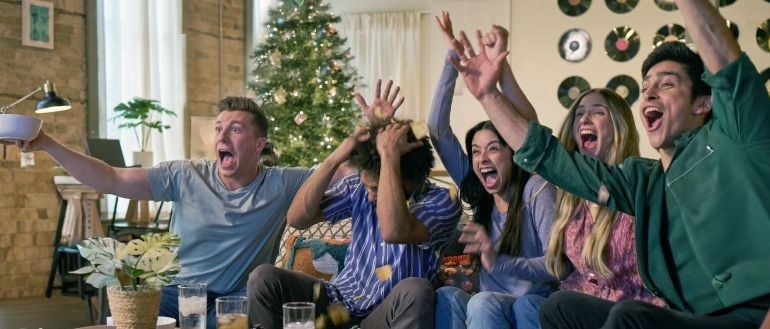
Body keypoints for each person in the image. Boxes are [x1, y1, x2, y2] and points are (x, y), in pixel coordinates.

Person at [447, 0, 770, 327]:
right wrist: (488, 95)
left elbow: (726, 61)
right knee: (559, 308)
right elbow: (550, 157)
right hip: (687, 318)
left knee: (629, 316)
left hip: (751, 312)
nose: (649, 94)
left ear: (704, 102)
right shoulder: (641, 179)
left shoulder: (736, 134)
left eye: (666, 84)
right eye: (645, 88)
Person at [12, 96, 315, 329]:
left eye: (235, 130)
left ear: (259, 144)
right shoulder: (185, 175)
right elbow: (112, 178)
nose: (221, 137)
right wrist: (46, 143)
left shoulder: (282, 183)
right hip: (177, 294)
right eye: (219, 128)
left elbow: (340, 171)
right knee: (129, 316)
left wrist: (360, 136)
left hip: (235, 300)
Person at [247, 93, 462, 328]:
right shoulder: (358, 187)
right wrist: (336, 158)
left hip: (384, 314)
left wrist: (389, 155)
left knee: (416, 289)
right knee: (263, 278)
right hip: (337, 302)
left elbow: (394, 230)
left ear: (409, 179)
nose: (368, 195)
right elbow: (297, 218)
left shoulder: (442, 202)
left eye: (376, 189)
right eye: (366, 186)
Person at [430, 13, 557, 329]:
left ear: (513, 154)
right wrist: (452, 61)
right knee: (447, 296)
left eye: (493, 148)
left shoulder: (536, 189)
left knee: (484, 301)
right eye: (475, 151)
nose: (481, 158)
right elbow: (437, 130)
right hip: (487, 307)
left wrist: (498, 261)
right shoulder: (476, 188)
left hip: (532, 302)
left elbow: (556, 266)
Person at [513, 88, 666, 329]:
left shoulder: (637, 186)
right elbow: (530, 136)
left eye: (597, 112)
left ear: (618, 127)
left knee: (559, 305)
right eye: (579, 114)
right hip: (577, 306)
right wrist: (500, 79)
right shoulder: (570, 197)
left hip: (630, 311)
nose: (584, 119)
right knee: (527, 305)